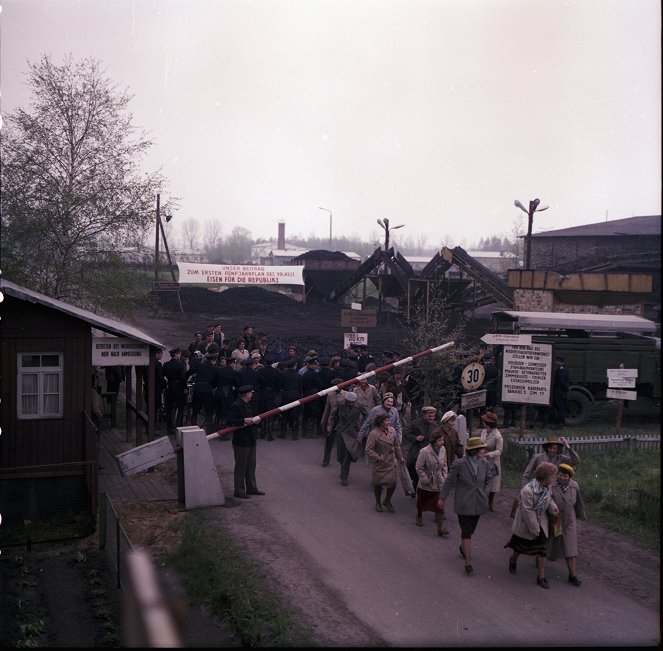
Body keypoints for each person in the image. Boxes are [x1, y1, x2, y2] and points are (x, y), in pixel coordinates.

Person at [439, 436, 499, 575]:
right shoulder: (459, 464)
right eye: (481, 449)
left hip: (479, 503)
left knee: (470, 530)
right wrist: (442, 497)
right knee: (466, 531)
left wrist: (485, 491)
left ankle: (463, 547)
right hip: (463, 503)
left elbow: (489, 479)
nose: (483, 451)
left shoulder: (484, 463)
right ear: (474, 451)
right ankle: (468, 562)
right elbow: (449, 481)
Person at [505, 461, 559, 589]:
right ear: (546, 477)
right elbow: (528, 512)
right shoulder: (528, 491)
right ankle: (513, 559)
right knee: (520, 547)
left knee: (541, 550)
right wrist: (535, 530)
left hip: (541, 522)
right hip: (526, 524)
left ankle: (541, 576)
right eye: (553, 476)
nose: (554, 478)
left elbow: (548, 499)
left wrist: (553, 508)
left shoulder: (547, 488)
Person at [547, 463, 586, 587]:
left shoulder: (574, 486)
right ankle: (540, 560)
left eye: (565, 476)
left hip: (570, 521)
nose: (562, 478)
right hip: (554, 520)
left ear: (570, 477)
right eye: (560, 475)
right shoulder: (551, 485)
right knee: (549, 542)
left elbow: (578, 503)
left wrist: (581, 515)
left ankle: (572, 575)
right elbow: (547, 500)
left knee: (571, 548)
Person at [226, 385, 264, 499]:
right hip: (241, 441)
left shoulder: (247, 404)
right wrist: (243, 420)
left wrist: (256, 421)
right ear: (246, 394)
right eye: (251, 393)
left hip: (251, 439)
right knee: (241, 466)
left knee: (251, 465)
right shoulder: (236, 405)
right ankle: (239, 490)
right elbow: (229, 421)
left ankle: (252, 487)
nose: (252, 395)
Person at [365, 412, 405, 513]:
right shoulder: (374, 434)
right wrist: (378, 458)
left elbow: (396, 445)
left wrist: (400, 457)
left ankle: (387, 500)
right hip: (381, 461)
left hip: (391, 460)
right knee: (378, 483)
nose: (389, 422)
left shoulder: (392, 431)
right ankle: (378, 502)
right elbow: (368, 449)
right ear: (380, 422)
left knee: (393, 482)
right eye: (386, 420)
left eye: (389, 420)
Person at [414, 428, 449, 536]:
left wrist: (444, 476)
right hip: (427, 482)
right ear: (433, 441)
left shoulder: (443, 450)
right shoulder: (424, 451)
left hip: (438, 482)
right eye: (439, 440)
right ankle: (419, 515)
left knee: (439, 505)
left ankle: (440, 528)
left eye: (442, 440)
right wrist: (424, 479)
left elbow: (445, 465)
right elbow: (419, 467)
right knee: (421, 502)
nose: (442, 442)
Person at [330, 390, 367, 486]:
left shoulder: (359, 405)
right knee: (341, 455)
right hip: (341, 431)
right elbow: (333, 414)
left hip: (352, 432)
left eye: (353, 402)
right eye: (349, 401)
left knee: (348, 454)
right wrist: (330, 425)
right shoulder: (340, 403)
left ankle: (344, 477)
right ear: (346, 399)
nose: (351, 403)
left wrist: (361, 426)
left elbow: (367, 416)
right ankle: (344, 468)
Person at [404, 405, 439, 492]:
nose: (431, 418)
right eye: (429, 416)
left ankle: (424, 489)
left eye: (433, 416)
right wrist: (415, 438)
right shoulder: (415, 423)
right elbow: (406, 434)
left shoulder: (435, 425)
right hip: (417, 449)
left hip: (429, 451)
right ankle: (414, 484)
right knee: (413, 466)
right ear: (424, 414)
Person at [479, 411, 503, 512]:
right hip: (482, 459)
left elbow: (499, 451)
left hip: (493, 462)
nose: (483, 423)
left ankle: (490, 502)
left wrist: (489, 454)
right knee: (481, 480)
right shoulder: (484, 431)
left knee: (493, 483)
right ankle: (480, 501)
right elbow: (481, 442)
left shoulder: (498, 436)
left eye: (484, 421)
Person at [163, 347, 187, 430]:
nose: (180, 355)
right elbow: (183, 378)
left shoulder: (166, 364)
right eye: (179, 354)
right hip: (178, 387)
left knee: (169, 408)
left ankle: (169, 427)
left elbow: (163, 376)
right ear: (176, 354)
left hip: (169, 386)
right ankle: (178, 426)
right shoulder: (180, 364)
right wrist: (185, 387)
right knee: (180, 407)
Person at [551, 355, 571, 428]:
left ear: (560, 361)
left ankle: (561, 424)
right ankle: (560, 423)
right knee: (560, 407)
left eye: (557, 360)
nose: (556, 362)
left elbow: (561, 380)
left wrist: (565, 388)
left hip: (559, 391)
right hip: (561, 391)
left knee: (560, 408)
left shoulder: (561, 369)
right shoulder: (565, 368)